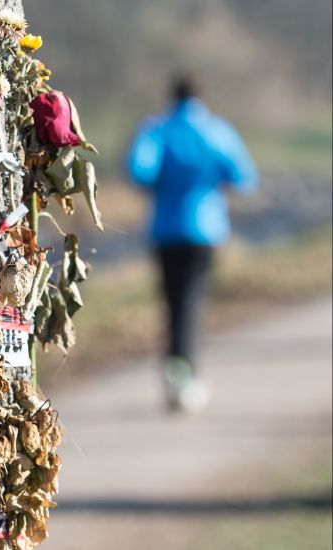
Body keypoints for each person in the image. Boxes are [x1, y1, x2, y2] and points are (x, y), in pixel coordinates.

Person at [126, 75, 257, 412]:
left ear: (171, 97)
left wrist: (165, 184)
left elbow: (139, 172)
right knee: (191, 302)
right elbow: (243, 176)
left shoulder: (156, 130)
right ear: (200, 97)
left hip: (166, 230)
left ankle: (177, 371)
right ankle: (184, 373)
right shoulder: (217, 131)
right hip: (206, 230)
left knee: (174, 302)